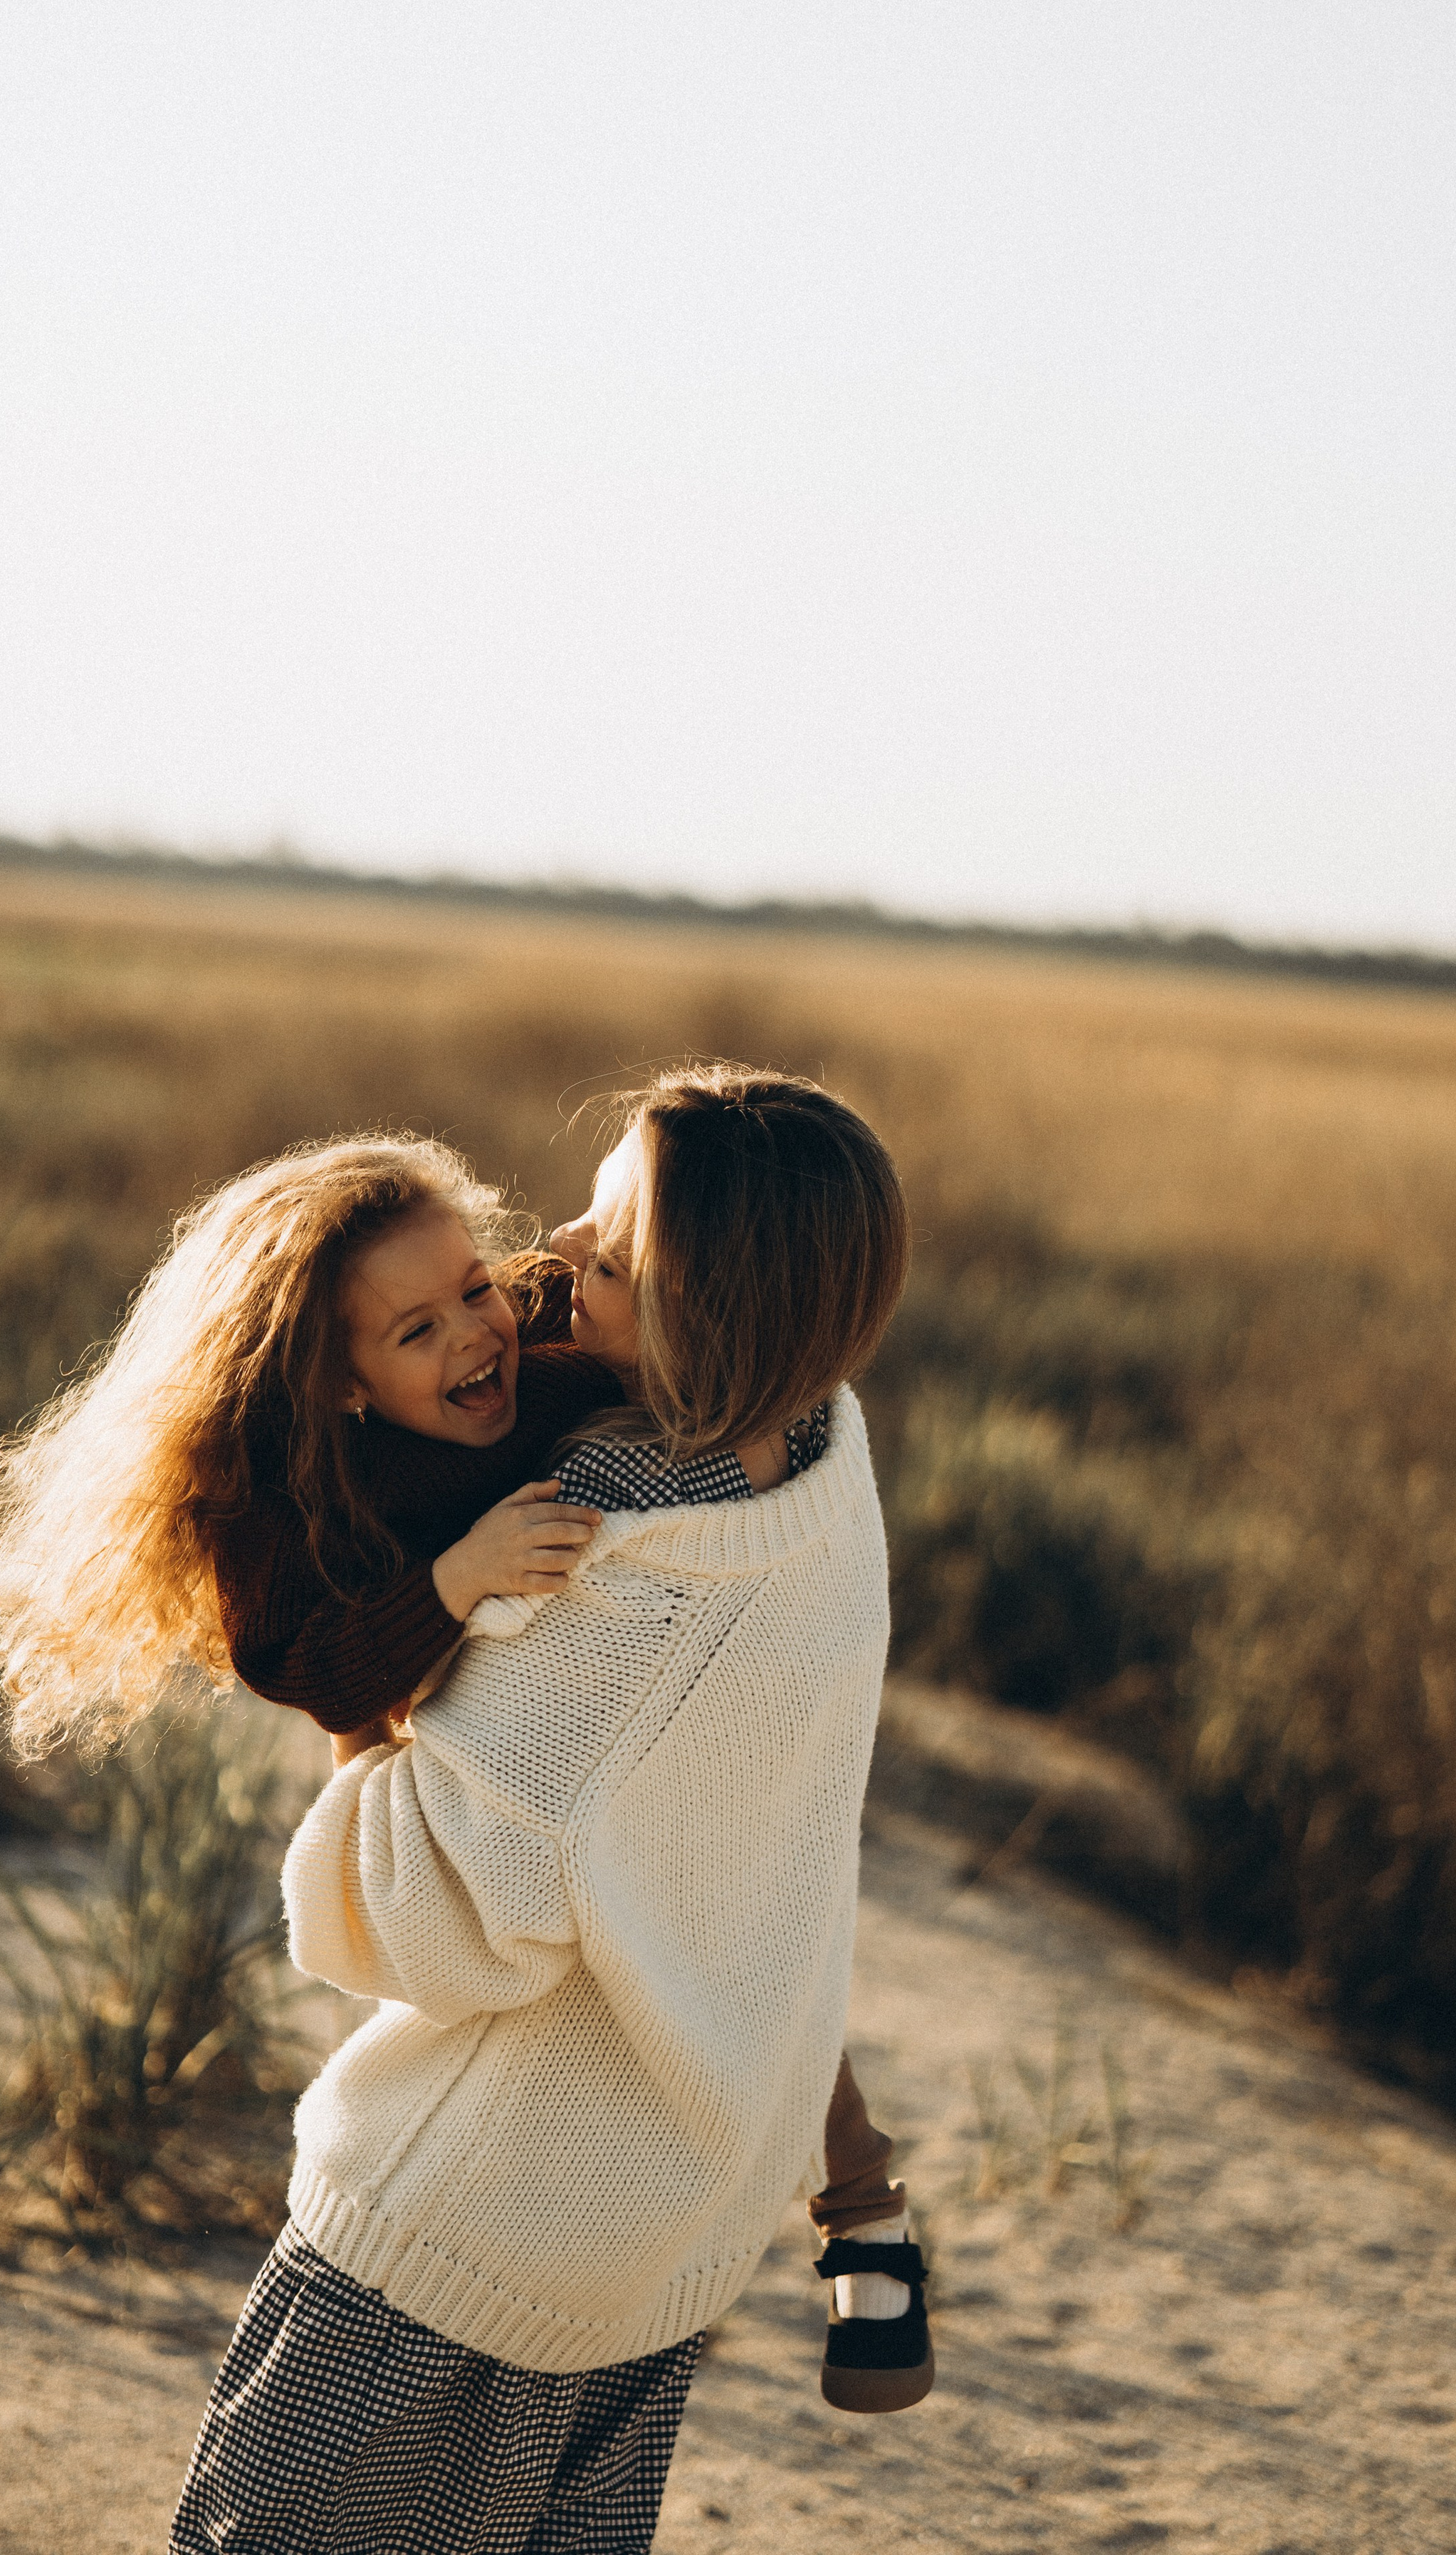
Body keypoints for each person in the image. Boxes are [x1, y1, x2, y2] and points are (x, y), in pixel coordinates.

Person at [167, 1067, 929, 2553]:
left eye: (616, 1246)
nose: (559, 1250)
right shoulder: (826, 1456)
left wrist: (374, 1726)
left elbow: (420, 1932)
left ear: (710, 1308)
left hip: (463, 2243)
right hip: (666, 2240)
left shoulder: (602, 1564)